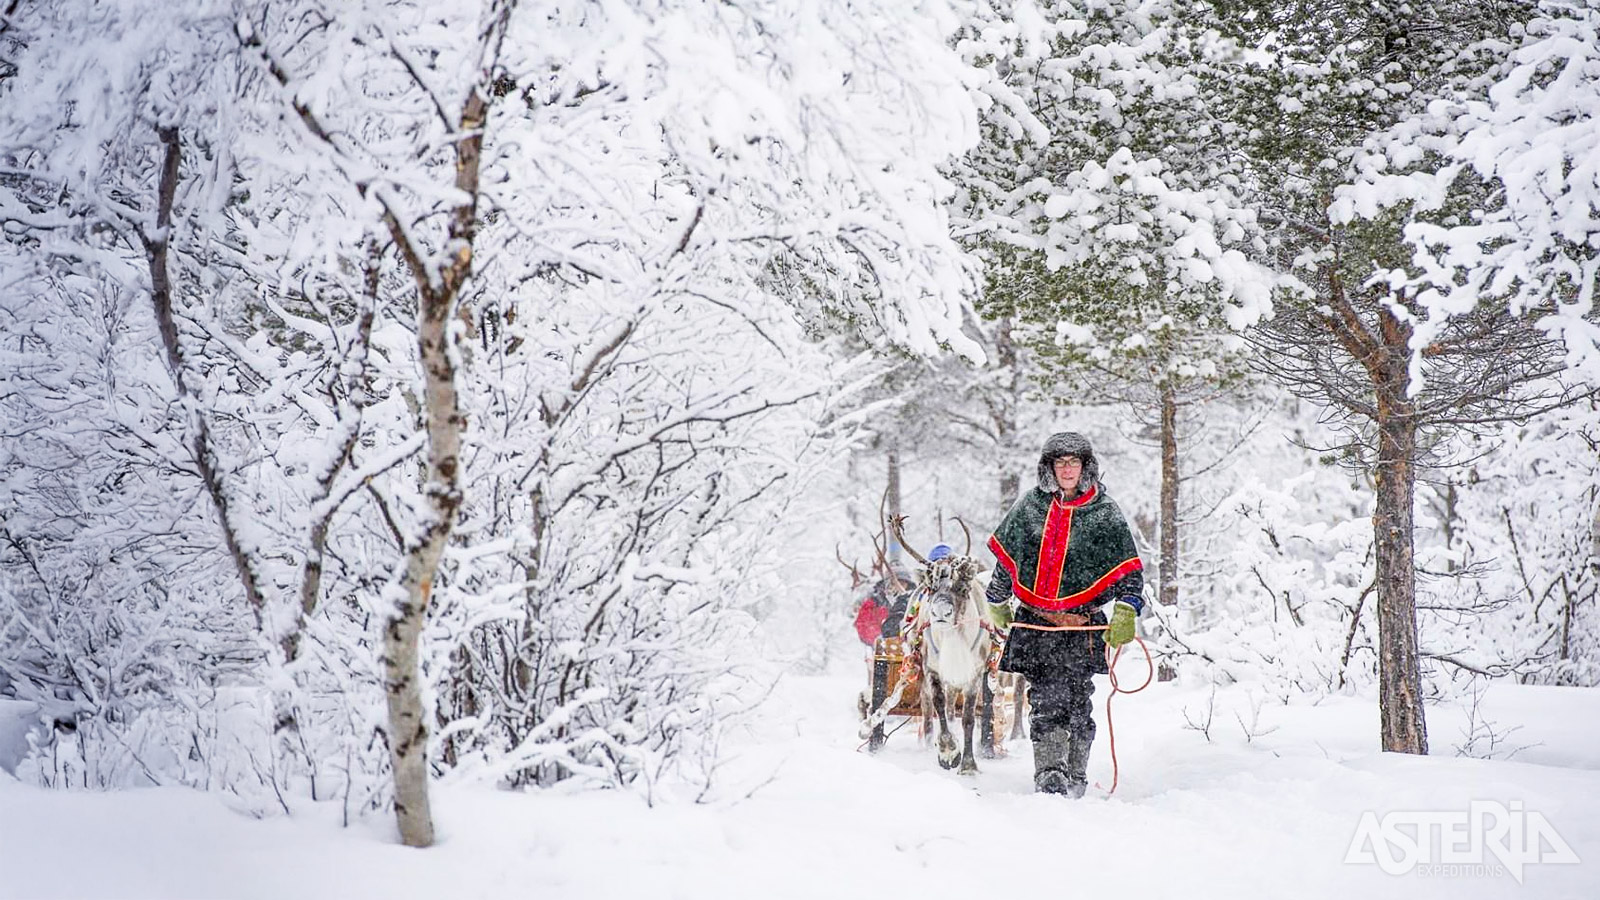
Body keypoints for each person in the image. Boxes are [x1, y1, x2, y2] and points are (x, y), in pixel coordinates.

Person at [985, 432, 1144, 797]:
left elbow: (1128, 571)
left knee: (1078, 699)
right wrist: (996, 598)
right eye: (1061, 462)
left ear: (1086, 467)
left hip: (1082, 626)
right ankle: (1051, 774)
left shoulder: (1105, 513)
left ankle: (1076, 774)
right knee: (1046, 697)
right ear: (1050, 468)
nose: (1068, 468)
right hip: (1037, 624)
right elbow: (1009, 560)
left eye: (1074, 462)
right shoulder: (1030, 507)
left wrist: (1126, 609)